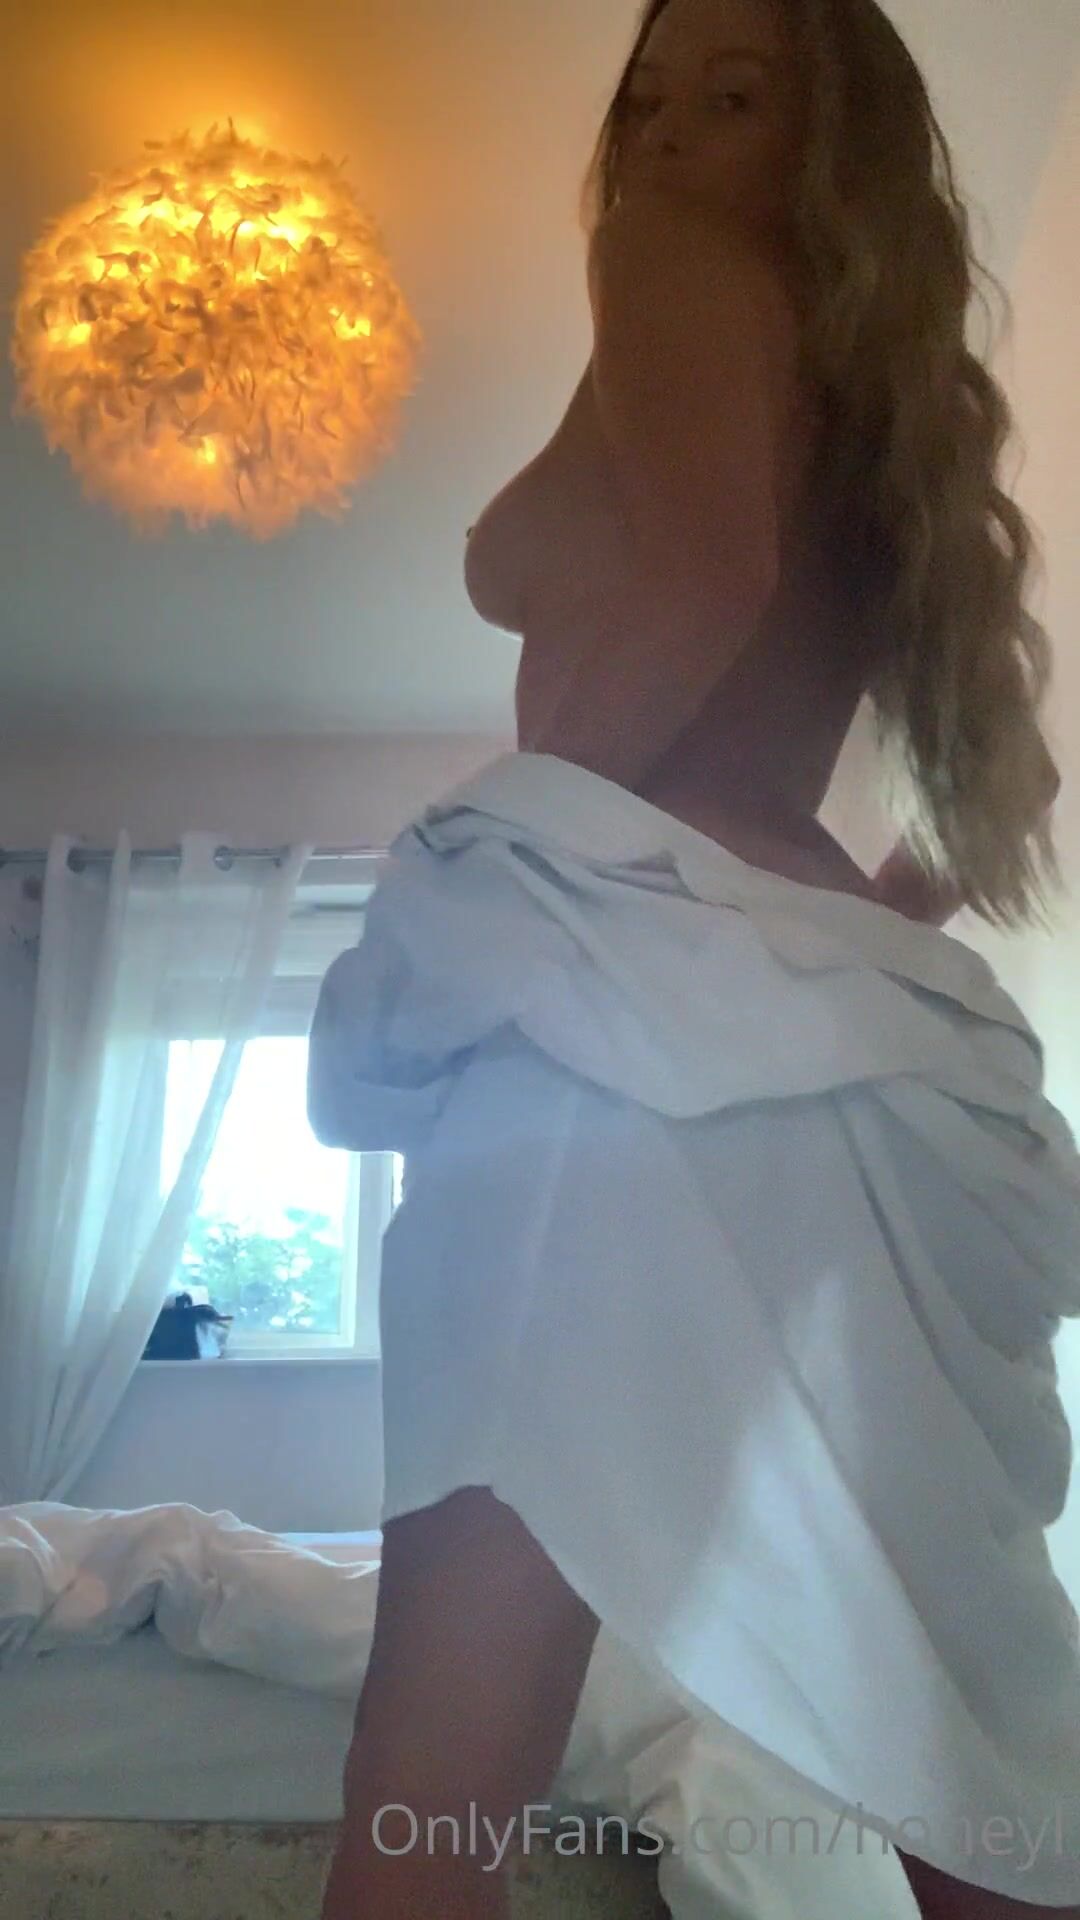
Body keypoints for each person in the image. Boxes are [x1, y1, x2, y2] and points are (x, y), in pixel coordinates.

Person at [308, 2, 1077, 1915]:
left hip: (605, 1036)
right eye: (649, 94)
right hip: (837, 1081)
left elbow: (713, 571)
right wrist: (820, 946)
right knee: (976, 1770)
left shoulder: (665, 263)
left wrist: (527, 849)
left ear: (831, 144)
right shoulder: (887, 412)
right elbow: (1006, 787)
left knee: (437, 1781)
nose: (662, 138)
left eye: (736, 97)